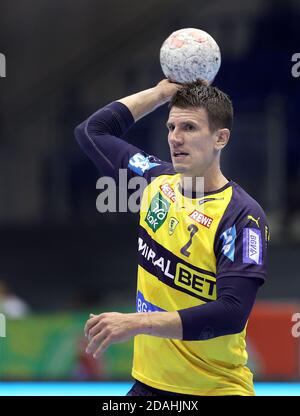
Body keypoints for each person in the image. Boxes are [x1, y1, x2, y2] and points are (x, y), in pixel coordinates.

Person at [75, 79, 269, 396]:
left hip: (214, 389)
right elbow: (92, 132)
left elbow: (232, 313)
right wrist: (159, 93)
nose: (175, 138)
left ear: (221, 138)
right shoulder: (154, 180)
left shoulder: (241, 216)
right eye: (171, 126)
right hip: (149, 387)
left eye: (189, 127)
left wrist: (137, 323)